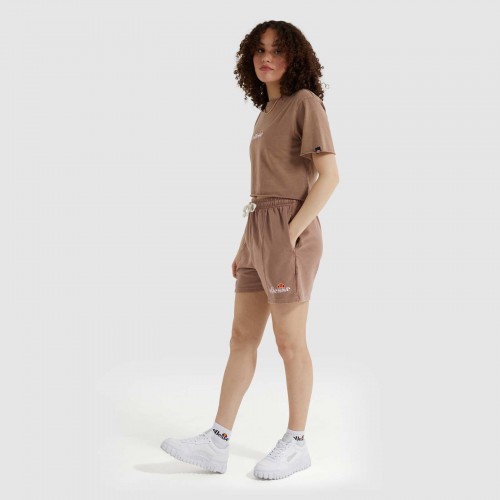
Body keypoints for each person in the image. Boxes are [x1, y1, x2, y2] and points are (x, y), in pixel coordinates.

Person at [161, 20, 340, 480]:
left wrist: (290, 232)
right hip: (258, 231)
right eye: (260, 50)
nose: (267, 58)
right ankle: (217, 440)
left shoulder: (305, 103)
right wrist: (247, 246)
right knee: (241, 338)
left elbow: (329, 177)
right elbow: (262, 190)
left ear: (294, 57)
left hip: (288, 232)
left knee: (289, 342)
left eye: (277, 50)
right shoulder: (265, 114)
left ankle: (296, 442)